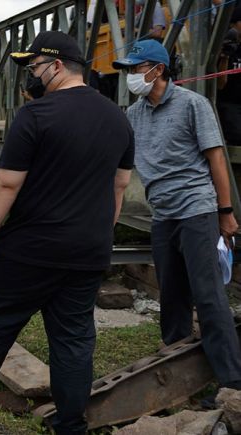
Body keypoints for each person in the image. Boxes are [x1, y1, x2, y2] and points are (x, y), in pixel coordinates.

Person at [0, 31, 134, 434]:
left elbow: (6, 183)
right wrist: (96, 235)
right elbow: (120, 185)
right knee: (74, 339)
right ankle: (70, 424)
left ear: (57, 66)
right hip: (88, 251)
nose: (30, 75)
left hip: (30, 249)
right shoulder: (119, 119)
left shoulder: (36, 115)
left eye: (34, 66)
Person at [113, 39, 241, 404]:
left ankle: (232, 384)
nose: (130, 77)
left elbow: (217, 160)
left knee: (209, 296)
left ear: (156, 69)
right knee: (172, 296)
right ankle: (179, 375)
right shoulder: (133, 114)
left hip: (197, 208)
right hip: (163, 213)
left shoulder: (192, 105)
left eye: (135, 69)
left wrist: (225, 212)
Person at [217, 6, 241, 146]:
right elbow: (220, 84)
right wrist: (225, 57)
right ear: (233, 25)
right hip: (230, 103)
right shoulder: (225, 47)